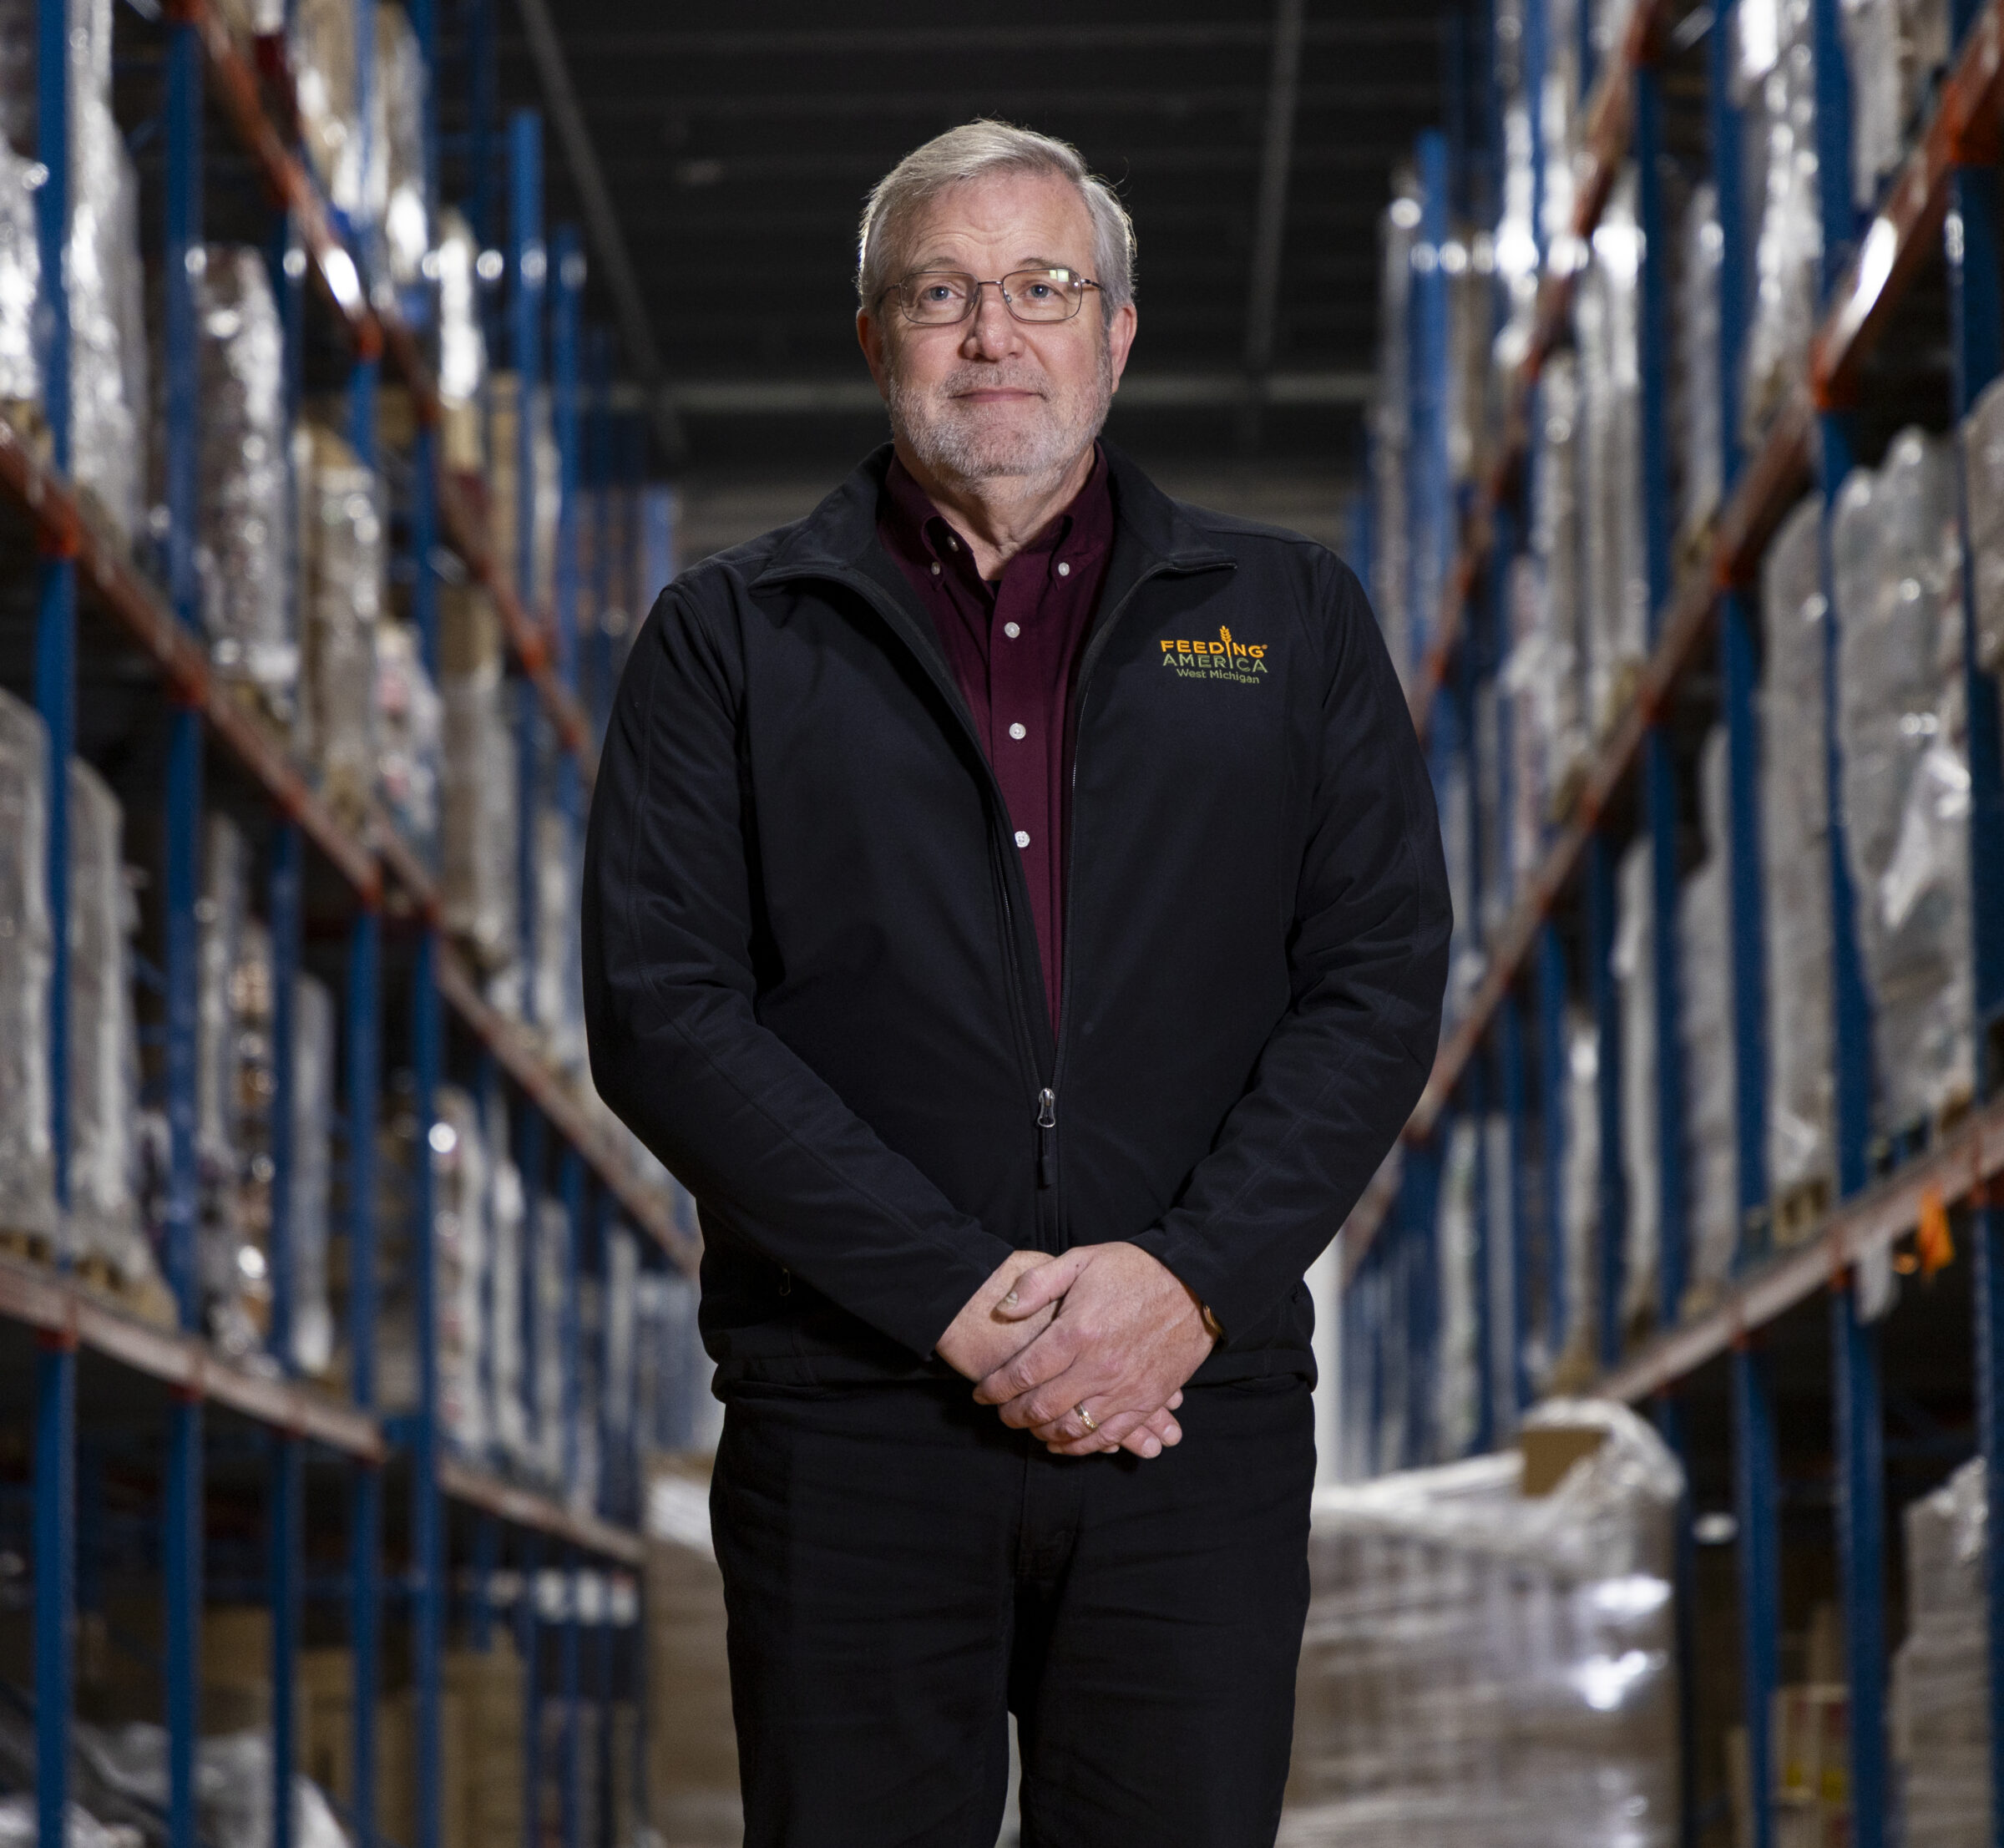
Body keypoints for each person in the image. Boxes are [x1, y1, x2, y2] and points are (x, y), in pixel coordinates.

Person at [582, 119, 1450, 1848]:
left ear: (1118, 331)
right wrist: (956, 1298)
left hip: (1184, 1419)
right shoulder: (731, 639)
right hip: (851, 1421)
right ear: (873, 337)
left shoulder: (1287, 620)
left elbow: (1375, 980)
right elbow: (663, 1014)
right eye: (943, 292)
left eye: (1045, 287)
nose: (996, 335)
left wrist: (1183, 1287)